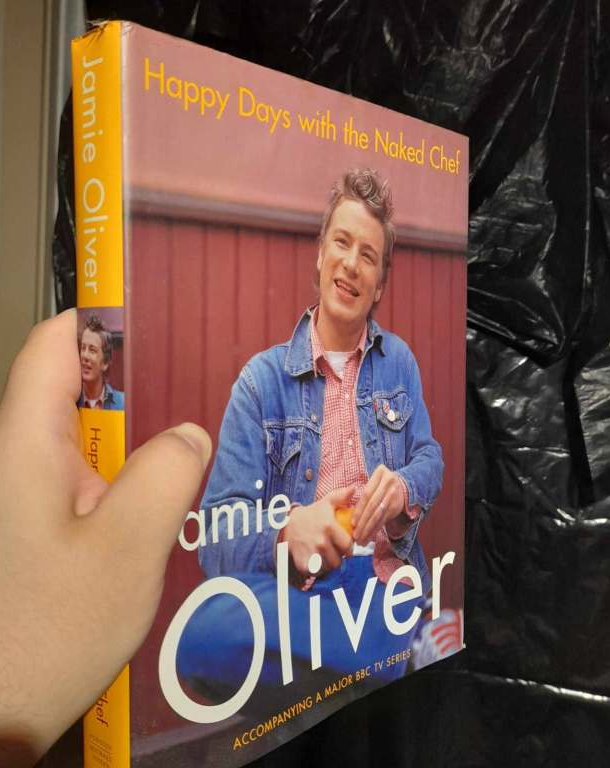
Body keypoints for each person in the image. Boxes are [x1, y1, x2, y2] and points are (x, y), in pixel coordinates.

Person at [0, 310, 211, 767]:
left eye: (94, 350)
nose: (86, 357)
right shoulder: (89, 411)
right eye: (83, 349)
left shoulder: (116, 401)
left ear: (106, 360)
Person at [179, 169, 444, 696]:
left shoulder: (399, 363)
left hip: (380, 584)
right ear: (320, 255)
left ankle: (373, 653)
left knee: (370, 623)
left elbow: (429, 458)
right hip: (295, 598)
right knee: (202, 632)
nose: (351, 263)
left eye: (368, 255)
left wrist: (403, 489)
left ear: (379, 285)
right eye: (341, 243)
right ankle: (395, 652)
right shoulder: (260, 382)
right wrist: (286, 534)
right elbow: (214, 536)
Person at [77, 313, 124, 410]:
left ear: (105, 363)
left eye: (92, 350)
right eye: (83, 348)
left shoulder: (122, 403)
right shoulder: (72, 401)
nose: (85, 356)